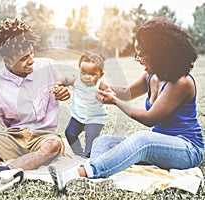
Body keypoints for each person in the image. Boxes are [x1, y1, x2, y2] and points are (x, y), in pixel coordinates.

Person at [48, 17, 204, 195]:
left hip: (186, 149)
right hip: (158, 144)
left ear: (158, 54)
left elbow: (149, 118)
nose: (137, 58)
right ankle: (97, 179)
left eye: (141, 53)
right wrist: (96, 86)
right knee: (103, 141)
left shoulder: (181, 82)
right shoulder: (151, 75)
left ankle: (78, 174)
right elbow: (125, 92)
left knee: (141, 139)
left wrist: (115, 101)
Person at [0, 18, 70, 196]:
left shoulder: (48, 65)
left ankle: (0, 172)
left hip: (43, 136)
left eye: (31, 54)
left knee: (53, 145)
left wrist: (65, 91)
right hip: (13, 136)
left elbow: (70, 80)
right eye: (22, 59)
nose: (30, 61)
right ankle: (1, 173)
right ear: (7, 61)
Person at [58, 51, 109, 158]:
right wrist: (59, 84)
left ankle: (87, 157)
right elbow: (65, 79)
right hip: (78, 116)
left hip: (95, 118)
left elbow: (110, 92)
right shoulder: (76, 80)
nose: (86, 77)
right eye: (83, 73)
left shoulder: (100, 85)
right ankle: (78, 153)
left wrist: (107, 96)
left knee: (90, 138)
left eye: (92, 74)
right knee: (69, 133)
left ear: (101, 75)